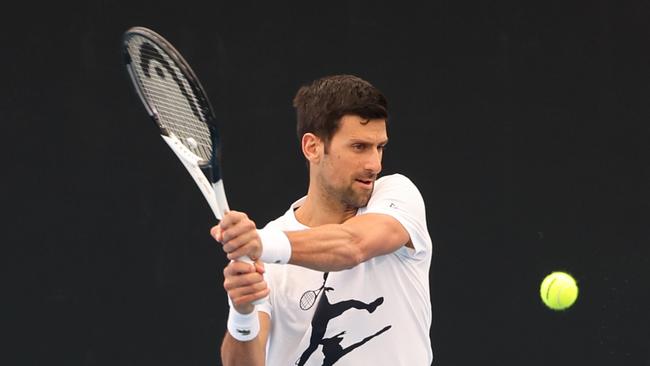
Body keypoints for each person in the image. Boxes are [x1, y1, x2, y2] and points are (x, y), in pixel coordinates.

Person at [211, 75, 433, 365]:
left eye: (379, 147)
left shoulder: (397, 195)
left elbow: (353, 245)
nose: (375, 164)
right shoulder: (266, 253)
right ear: (312, 147)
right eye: (359, 147)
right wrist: (242, 312)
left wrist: (259, 244)